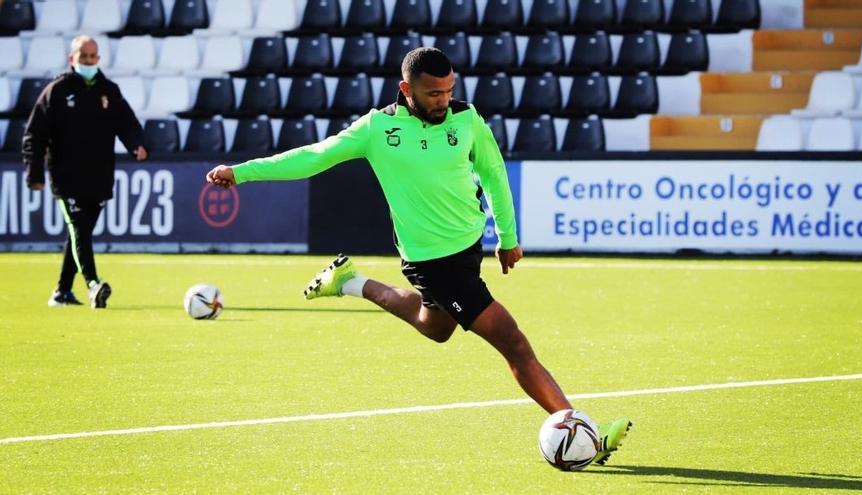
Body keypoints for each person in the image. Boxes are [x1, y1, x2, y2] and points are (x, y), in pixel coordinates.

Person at [206, 47, 630, 464]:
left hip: (469, 249)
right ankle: (579, 431)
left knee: (436, 327)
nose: (443, 101)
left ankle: (349, 281)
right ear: (406, 89)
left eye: (449, 91)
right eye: (434, 94)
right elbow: (313, 158)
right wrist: (242, 172)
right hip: (431, 262)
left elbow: (493, 170)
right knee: (512, 341)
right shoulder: (377, 129)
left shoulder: (465, 117)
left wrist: (507, 235)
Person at [23, 35, 148, 309]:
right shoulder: (57, 90)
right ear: (72, 59)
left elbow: (127, 123)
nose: (89, 61)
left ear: (99, 59)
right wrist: (34, 173)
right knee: (80, 229)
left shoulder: (109, 90)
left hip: (99, 176)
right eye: (84, 57)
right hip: (66, 177)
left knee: (81, 233)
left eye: (93, 57)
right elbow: (35, 133)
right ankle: (93, 284)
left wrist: (137, 145)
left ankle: (61, 291)